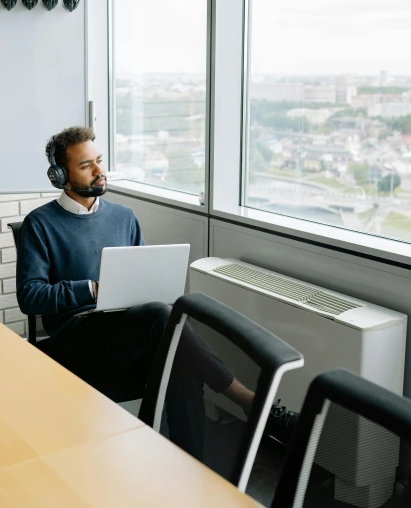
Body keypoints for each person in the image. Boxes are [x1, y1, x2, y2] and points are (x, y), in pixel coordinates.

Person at [16, 126, 296, 460]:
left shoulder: (124, 217)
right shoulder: (40, 223)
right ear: (60, 176)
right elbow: (30, 296)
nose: (99, 171)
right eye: (85, 165)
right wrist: (92, 288)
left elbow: (142, 278)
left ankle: (192, 473)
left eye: (99, 161)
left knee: (182, 367)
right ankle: (248, 400)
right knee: (161, 316)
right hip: (75, 340)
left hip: (128, 332)